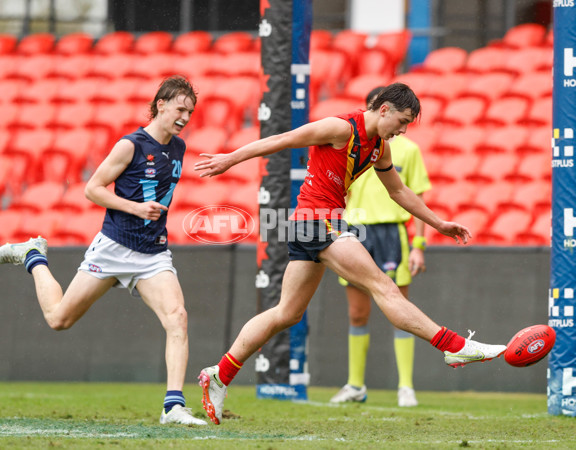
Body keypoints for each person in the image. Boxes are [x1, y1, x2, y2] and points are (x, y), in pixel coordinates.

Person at [193, 82, 506, 425]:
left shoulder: (379, 147)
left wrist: (438, 223)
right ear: (383, 109)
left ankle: (219, 374)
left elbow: (398, 190)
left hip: (310, 224)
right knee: (383, 286)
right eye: (401, 121)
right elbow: (281, 139)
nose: (402, 130)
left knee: (287, 313)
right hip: (318, 222)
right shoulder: (341, 127)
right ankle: (453, 345)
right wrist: (230, 158)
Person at [0, 76, 207, 426]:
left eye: (190, 111)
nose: (185, 116)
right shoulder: (130, 145)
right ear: (161, 104)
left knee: (177, 317)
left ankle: (173, 407)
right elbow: (93, 189)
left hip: (152, 253)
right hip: (114, 246)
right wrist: (136, 208)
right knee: (59, 319)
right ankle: (33, 255)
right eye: (180, 108)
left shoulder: (178, 148)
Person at [330, 86, 430, 407]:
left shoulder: (407, 149)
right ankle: (355, 385)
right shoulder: (351, 141)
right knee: (357, 313)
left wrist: (419, 244)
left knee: (401, 308)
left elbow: (417, 196)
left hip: (392, 233)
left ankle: (406, 387)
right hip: (356, 230)